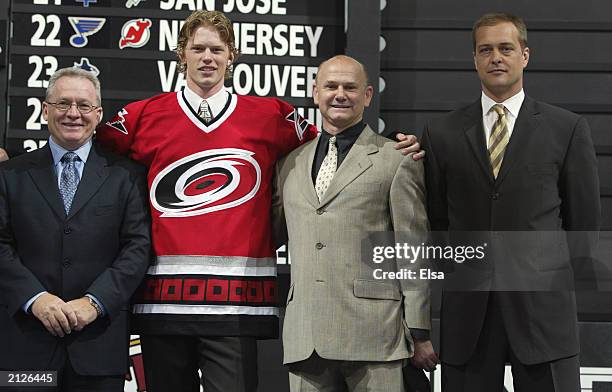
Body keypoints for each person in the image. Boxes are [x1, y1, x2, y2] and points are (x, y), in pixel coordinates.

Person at [96, 10, 422, 392]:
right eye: (197, 48)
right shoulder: (142, 115)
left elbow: (337, 143)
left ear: (231, 55)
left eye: (217, 49)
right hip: (162, 299)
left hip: (237, 301)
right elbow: (86, 151)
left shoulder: (270, 116)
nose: (207, 57)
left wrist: (395, 149)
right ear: (181, 53)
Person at [421, 13, 600, 391]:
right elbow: (437, 222)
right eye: (486, 50)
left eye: (506, 48)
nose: (496, 57)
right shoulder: (441, 133)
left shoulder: (566, 128)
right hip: (469, 317)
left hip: (544, 316)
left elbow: (583, 226)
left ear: (525, 55)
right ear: (474, 59)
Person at [272, 55, 437, 391]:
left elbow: (412, 249)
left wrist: (419, 330)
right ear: (315, 92)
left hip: (376, 335)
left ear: (368, 95)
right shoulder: (289, 163)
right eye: (331, 86)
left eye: (350, 87)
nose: (340, 94)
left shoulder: (397, 158)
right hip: (307, 336)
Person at [0, 67, 151, 391]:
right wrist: (36, 299)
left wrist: (95, 302)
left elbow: (137, 248)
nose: (73, 114)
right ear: (45, 110)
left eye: (83, 106)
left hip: (98, 347)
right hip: (25, 346)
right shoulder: (9, 175)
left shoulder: (127, 176)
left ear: (98, 115)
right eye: (62, 104)